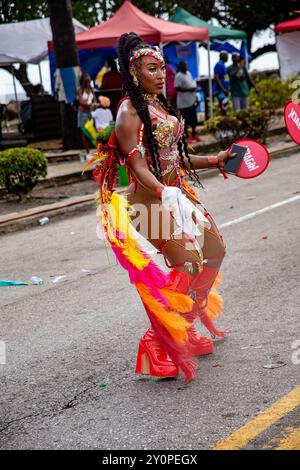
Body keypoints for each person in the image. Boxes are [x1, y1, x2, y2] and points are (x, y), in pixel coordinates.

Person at [89, 33, 235, 383]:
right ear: (134, 72)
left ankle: (183, 325)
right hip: (147, 202)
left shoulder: (159, 106)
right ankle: (154, 342)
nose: (161, 75)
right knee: (187, 260)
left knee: (214, 249)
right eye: (152, 69)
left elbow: (175, 160)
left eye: (163, 68)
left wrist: (216, 159)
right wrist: (163, 191)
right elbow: (137, 166)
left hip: (175, 194)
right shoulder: (128, 113)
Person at [174, 61, 201, 142]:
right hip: (183, 103)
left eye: (186, 64)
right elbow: (177, 88)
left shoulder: (188, 73)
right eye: (184, 65)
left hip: (191, 101)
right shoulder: (178, 76)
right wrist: (190, 89)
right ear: (180, 66)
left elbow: (191, 83)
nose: (186, 66)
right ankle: (187, 136)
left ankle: (193, 135)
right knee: (185, 121)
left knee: (194, 120)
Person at [77, 73, 96, 158]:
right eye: (86, 81)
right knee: (84, 133)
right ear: (83, 82)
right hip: (83, 113)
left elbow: (94, 100)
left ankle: (95, 151)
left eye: (89, 81)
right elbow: (81, 101)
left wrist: (94, 104)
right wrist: (90, 105)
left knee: (92, 131)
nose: (88, 83)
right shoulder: (80, 90)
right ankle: (87, 152)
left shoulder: (91, 89)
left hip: (90, 113)